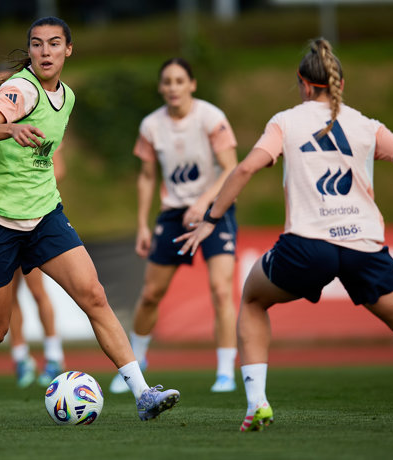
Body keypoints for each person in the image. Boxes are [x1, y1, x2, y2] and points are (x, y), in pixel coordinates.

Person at [176, 38, 393, 431]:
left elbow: (245, 169)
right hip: (363, 248)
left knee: (251, 300)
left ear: (302, 83)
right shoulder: (366, 126)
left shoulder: (286, 121)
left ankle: (257, 403)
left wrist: (211, 220)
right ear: (340, 85)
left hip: (307, 247)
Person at [0, 16, 179, 424]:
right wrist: (9, 130)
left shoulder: (69, 97)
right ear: (30, 51)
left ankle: (142, 393)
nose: (46, 52)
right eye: (38, 44)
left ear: (68, 50)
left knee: (94, 295)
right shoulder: (20, 89)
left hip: (44, 216)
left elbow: (44, 159)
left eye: (55, 44)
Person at [109, 58, 240, 394]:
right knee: (151, 294)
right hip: (172, 215)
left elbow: (231, 168)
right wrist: (141, 224)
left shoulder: (211, 118)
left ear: (192, 85)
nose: (173, 87)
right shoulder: (151, 125)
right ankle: (136, 363)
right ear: (160, 87)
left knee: (222, 290)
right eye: (167, 81)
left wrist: (203, 203)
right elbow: (147, 176)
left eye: (180, 81)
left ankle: (225, 371)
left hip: (215, 211)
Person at [0, 64, 67, 389]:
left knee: (38, 291)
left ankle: (54, 356)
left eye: (7, 84)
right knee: (7, 298)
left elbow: (55, 164)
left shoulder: (34, 113)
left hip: (30, 215)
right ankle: (21, 359)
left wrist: (30, 190)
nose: (4, 90)